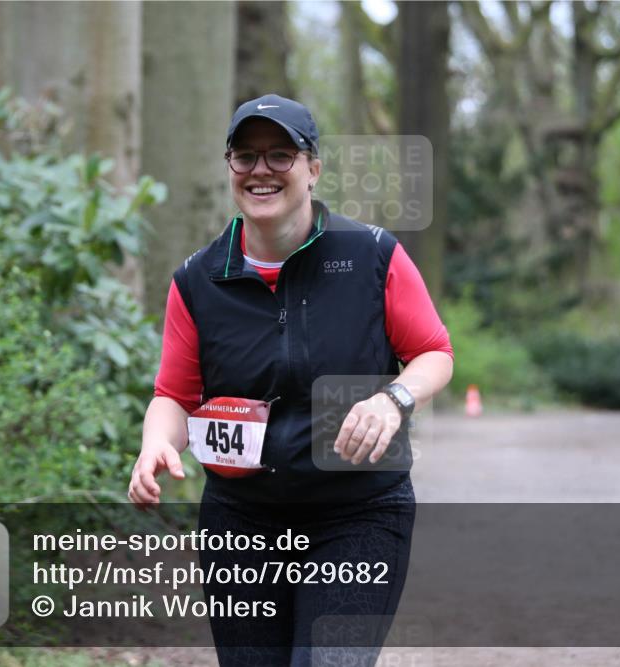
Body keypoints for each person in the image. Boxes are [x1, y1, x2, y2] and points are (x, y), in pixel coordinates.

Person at [128, 93, 453, 666]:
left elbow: (433, 352)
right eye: (245, 156)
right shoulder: (198, 280)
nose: (261, 170)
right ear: (229, 167)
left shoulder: (372, 255)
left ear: (313, 169)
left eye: (281, 155)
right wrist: (156, 442)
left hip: (359, 513)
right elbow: (174, 396)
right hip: (241, 519)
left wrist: (394, 398)